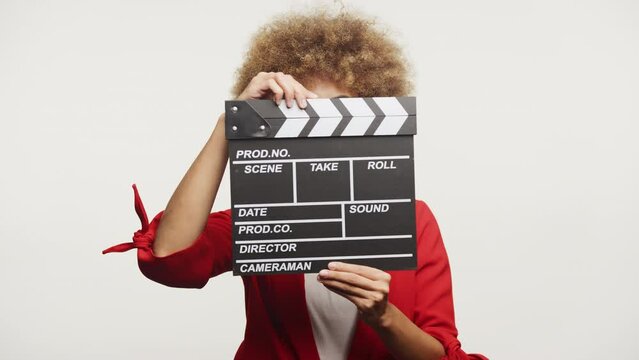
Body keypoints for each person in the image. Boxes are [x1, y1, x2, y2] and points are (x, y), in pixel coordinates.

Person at [103, 10, 487, 360]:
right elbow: (171, 260)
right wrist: (229, 124)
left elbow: (440, 355)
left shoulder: (413, 219)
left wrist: (383, 316)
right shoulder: (260, 218)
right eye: (300, 110)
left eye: (337, 109)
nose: (317, 127)